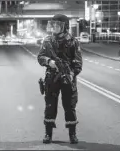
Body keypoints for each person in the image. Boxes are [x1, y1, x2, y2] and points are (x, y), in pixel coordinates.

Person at [37, 14, 83, 144]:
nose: (55, 27)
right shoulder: (47, 41)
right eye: (54, 25)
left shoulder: (73, 41)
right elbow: (40, 57)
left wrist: (72, 74)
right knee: (50, 106)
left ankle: (72, 134)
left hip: (68, 79)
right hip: (52, 78)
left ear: (64, 27)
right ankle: (48, 134)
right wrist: (49, 61)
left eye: (58, 25)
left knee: (69, 106)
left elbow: (78, 63)